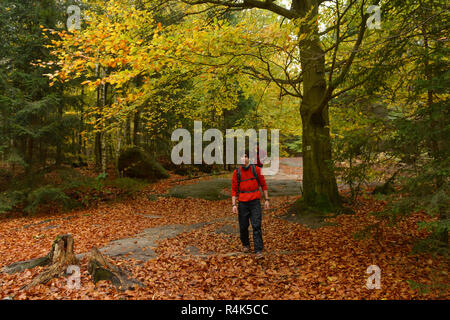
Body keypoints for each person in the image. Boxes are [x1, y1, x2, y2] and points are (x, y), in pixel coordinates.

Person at [231, 151, 270, 258]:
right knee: (243, 226)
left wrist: (267, 199)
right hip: (243, 203)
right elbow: (234, 189)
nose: (243, 159)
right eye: (241, 157)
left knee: (256, 225)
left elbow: (263, 185)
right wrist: (234, 205)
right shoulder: (237, 172)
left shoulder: (256, 170)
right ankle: (246, 245)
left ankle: (258, 250)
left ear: (249, 158)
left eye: (245, 157)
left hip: (255, 202)